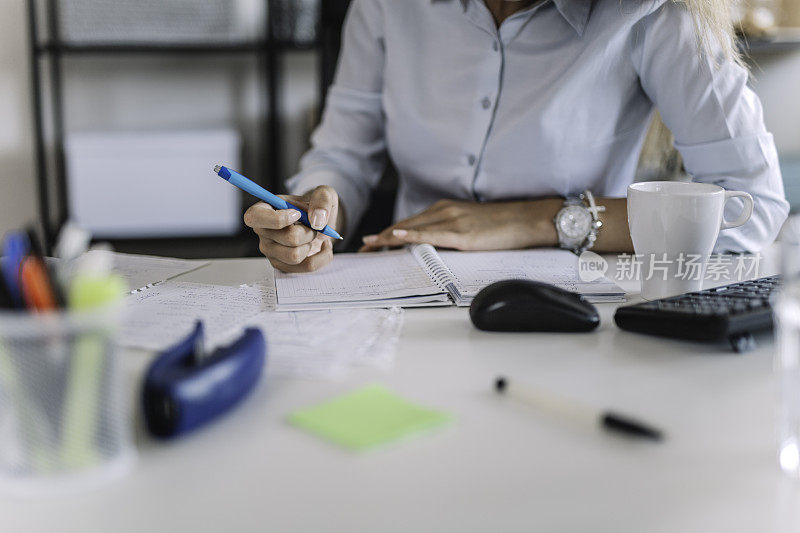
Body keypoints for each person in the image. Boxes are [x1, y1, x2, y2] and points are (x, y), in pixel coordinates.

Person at [244, 0, 789, 273]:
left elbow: (754, 205)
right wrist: (316, 217)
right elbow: (342, 154)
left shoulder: (656, 12)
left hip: (575, 302)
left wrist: (542, 219)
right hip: (407, 289)